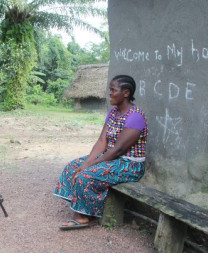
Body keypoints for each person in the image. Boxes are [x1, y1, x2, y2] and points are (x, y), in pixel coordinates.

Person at [53, 75, 148, 230]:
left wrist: (89, 166)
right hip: (112, 159)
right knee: (72, 166)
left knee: (87, 174)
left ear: (125, 93)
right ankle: (83, 207)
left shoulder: (135, 117)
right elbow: (102, 141)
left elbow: (117, 150)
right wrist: (86, 162)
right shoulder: (113, 113)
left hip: (129, 165)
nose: (109, 93)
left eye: (113, 90)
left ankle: (84, 216)